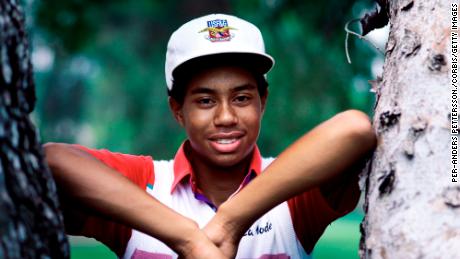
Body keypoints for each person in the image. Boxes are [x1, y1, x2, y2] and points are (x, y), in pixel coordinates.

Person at [44, 13, 377, 259]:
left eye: (242, 98)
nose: (226, 117)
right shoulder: (146, 183)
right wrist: (188, 238)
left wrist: (229, 223)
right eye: (205, 101)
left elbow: (355, 130)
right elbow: (51, 160)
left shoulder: (290, 193)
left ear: (264, 101)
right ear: (178, 110)